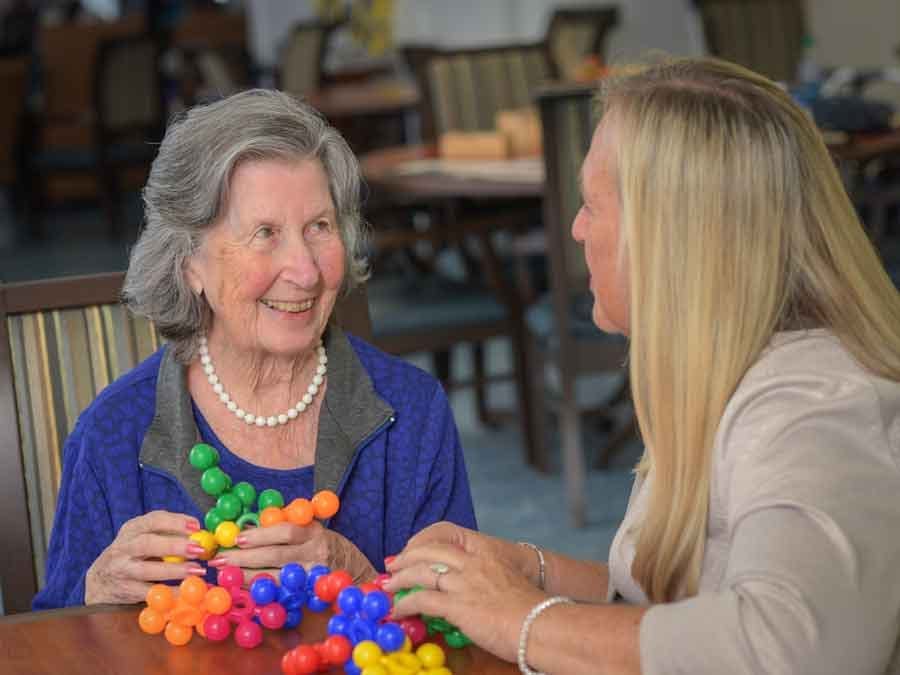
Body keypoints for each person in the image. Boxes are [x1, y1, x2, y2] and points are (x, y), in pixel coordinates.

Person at [384, 57, 900, 674]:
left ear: (669, 238)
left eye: (591, 206)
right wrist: (530, 571)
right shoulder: (727, 370)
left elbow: (784, 647)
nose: (576, 229)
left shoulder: (816, 406)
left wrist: (518, 618)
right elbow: (691, 603)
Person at [33, 89, 477, 609]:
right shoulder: (113, 433)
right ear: (190, 263)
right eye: (265, 233)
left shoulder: (412, 414)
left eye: (320, 227)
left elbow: (465, 622)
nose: (306, 270)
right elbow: (52, 639)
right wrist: (94, 592)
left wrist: (360, 576)